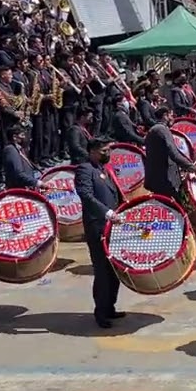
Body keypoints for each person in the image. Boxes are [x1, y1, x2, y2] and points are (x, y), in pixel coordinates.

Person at [74, 138, 126, 328]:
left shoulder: (104, 170)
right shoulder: (85, 170)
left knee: (114, 270)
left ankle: (110, 306)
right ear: (93, 151)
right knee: (102, 272)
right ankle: (101, 312)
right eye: (104, 151)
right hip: (98, 227)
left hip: (112, 227)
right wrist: (107, 212)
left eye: (109, 150)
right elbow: (86, 196)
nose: (108, 154)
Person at [143, 106, 196, 198]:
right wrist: (193, 168)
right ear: (165, 116)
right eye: (171, 115)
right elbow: (174, 154)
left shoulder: (155, 129)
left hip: (159, 179)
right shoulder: (161, 129)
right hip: (164, 179)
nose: (173, 118)